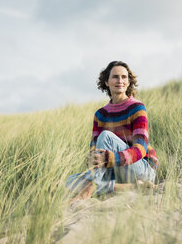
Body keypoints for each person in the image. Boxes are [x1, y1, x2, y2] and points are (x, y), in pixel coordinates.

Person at [66, 61, 159, 202]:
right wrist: (92, 159)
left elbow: (140, 149)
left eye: (124, 77)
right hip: (114, 170)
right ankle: (129, 187)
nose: (120, 81)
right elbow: (95, 150)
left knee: (106, 136)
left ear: (128, 82)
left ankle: (87, 192)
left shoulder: (137, 108)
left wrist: (110, 158)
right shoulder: (100, 114)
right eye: (115, 77)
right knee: (68, 182)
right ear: (107, 82)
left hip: (141, 169)